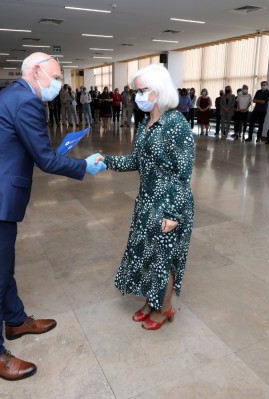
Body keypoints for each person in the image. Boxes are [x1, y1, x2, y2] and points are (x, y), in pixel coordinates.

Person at [0, 52, 105, 381]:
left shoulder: (10, 95)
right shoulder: (26, 102)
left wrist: (57, 154)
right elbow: (45, 160)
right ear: (37, 71)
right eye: (55, 78)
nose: (57, 84)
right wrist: (84, 166)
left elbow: (25, 148)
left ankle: (15, 320)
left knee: (2, 267)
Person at [95, 64, 194, 331]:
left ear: (159, 90)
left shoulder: (176, 124)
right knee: (148, 256)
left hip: (169, 203)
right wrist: (107, 161)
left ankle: (165, 309)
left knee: (164, 259)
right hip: (146, 201)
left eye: (143, 90)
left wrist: (173, 214)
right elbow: (135, 161)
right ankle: (151, 303)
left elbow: (183, 174)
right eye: (135, 90)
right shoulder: (145, 123)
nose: (137, 95)